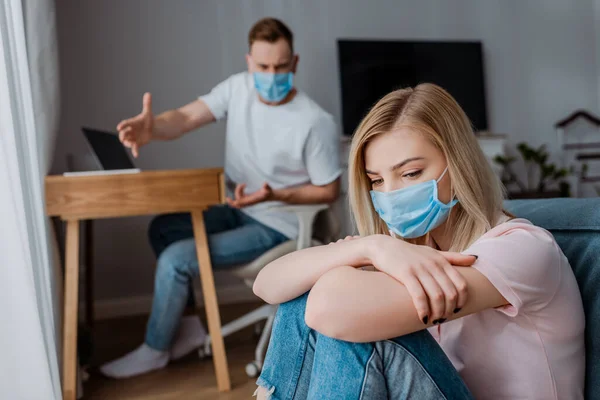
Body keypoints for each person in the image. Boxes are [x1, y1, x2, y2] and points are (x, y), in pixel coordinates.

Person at [253, 84, 585, 399]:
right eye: (377, 180)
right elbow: (267, 285)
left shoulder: (523, 249)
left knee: (354, 324)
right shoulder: (406, 253)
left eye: (410, 173)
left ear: (458, 164)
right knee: (306, 300)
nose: (391, 194)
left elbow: (330, 308)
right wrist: (371, 246)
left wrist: (362, 259)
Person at [100, 17, 341, 379]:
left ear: (295, 63)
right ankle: (187, 327)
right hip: (236, 208)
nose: (271, 75)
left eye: (280, 66)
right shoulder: (237, 89)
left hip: (278, 225)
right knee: (164, 230)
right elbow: (183, 118)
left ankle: (155, 349)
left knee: (176, 258)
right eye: (263, 66)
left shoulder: (314, 121)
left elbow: (329, 190)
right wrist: (152, 130)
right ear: (249, 63)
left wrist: (276, 194)